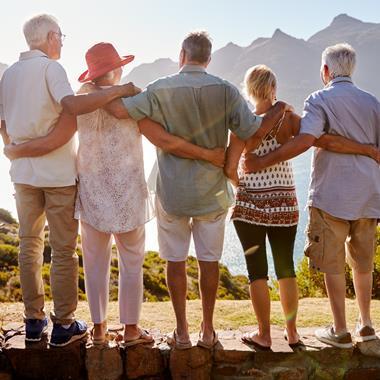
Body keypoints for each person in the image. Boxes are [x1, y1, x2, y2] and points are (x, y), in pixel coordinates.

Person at [4, 42, 226, 346]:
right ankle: (132, 330)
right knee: (132, 262)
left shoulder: (80, 99)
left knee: (95, 264)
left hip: (92, 192)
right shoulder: (132, 98)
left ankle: (98, 330)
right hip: (128, 193)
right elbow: (156, 134)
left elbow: (61, 135)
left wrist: (17, 148)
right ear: (117, 68)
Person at [116, 31, 293, 349]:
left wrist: (125, 91)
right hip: (212, 191)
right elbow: (252, 132)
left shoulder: (160, 88)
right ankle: (208, 330)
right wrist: (277, 110)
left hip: (171, 191)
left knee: (174, 260)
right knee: (208, 261)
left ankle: (182, 331)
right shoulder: (226, 90)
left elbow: (123, 112)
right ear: (208, 58)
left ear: (181, 55)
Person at [0, 14, 140, 346]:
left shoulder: (8, 75)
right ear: (49, 37)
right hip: (58, 175)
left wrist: (14, 149)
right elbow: (73, 106)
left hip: (23, 176)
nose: (62, 42)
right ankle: (63, 325)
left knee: (28, 245)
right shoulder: (52, 69)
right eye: (60, 36)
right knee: (63, 250)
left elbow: (3, 122)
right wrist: (121, 89)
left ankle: (33, 321)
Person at [225, 64, 380, 351]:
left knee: (256, 272)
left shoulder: (242, 123)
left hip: (249, 207)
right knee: (286, 269)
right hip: (285, 204)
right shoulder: (289, 120)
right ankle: (293, 332)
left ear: (248, 89)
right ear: (273, 89)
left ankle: (264, 334)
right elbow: (322, 140)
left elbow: (230, 167)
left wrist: (242, 186)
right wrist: (366, 150)